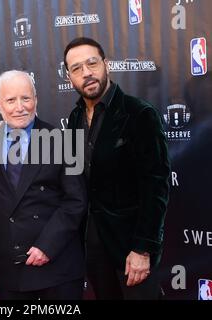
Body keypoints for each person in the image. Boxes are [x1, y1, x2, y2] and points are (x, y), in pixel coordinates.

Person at [65, 37, 170, 300]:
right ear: (69, 77)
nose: (86, 73)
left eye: (92, 63)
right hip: (93, 247)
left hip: (131, 248)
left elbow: (155, 186)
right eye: (76, 68)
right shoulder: (75, 118)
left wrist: (143, 249)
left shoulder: (138, 113)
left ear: (106, 65)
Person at [0, 70, 87, 300]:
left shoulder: (64, 140)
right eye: (11, 100)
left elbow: (76, 201)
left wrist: (47, 246)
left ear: (36, 100)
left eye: (26, 98)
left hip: (58, 265)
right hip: (10, 268)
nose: (20, 107)